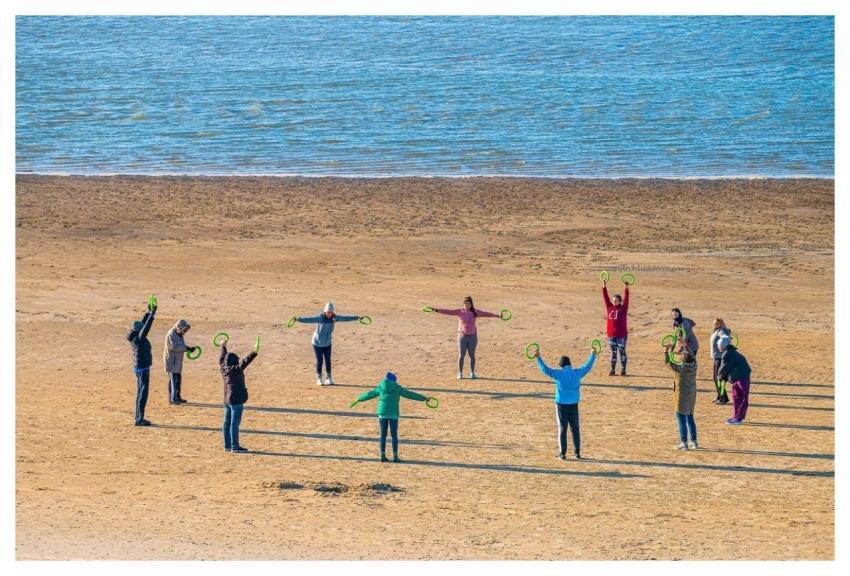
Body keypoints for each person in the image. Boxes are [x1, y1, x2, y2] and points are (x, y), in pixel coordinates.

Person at [350, 372, 432, 463]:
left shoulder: (380, 387)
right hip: (393, 413)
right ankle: (395, 456)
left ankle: (382, 455)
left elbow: (370, 394)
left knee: (383, 435)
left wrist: (359, 398)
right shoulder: (397, 387)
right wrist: (424, 398)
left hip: (382, 413)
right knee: (394, 435)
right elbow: (410, 394)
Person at [531, 347, 596, 460]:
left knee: (562, 429)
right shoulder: (577, 373)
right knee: (575, 428)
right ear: (570, 365)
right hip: (574, 405)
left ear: (561, 366)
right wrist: (593, 355)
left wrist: (538, 358)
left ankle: (562, 454)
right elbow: (587, 366)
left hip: (561, 405)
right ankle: (577, 453)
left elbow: (545, 369)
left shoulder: (559, 374)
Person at [432, 296, 501, 379]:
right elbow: (448, 311)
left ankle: (472, 372)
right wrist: (436, 310)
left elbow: (487, 314)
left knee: (472, 355)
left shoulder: (475, 312)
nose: (467, 305)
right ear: (464, 304)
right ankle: (460, 373)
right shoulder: (459, 311)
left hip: (473, 337)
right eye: (466, 303)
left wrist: (498, 316)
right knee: (461, 355)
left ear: (471, 304)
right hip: (462, 336)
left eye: (469, 303)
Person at [295, 302, 363, 386]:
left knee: (328, 360)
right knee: (320, 360)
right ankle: (319, 379)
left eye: (330, 312)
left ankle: (329, 378)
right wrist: (298, 319)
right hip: (317, 343)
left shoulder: (335, 318)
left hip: (327, 343)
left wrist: (357, 318)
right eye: (327, 312)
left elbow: (346, 318)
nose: (329, 314)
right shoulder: (320, 318)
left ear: (332, 312)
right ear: (325, 311)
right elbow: (309, 319)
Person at [220, 341, 258, 453]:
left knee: (227, 423)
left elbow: (222, 358)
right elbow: (245, 362)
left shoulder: (223, 368)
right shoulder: (236, 369)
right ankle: (235, 447)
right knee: (234, 425)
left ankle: (227, 445)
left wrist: (223, 346)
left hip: (227, 400)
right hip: (236, 401)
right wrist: (254, 352)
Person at [126, 299, 157, 426]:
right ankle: (139, 419)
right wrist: (152, 315)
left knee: (140, 392)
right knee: (143, 394)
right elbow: (146, 327)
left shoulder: (133, 334)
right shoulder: (139, 338)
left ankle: (138, 417)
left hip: (139, 368)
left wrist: (148, 312)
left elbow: (142, 324)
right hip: (143, 368)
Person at [664, 338, 698, 450]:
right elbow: (692, 354)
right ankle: (694, 442)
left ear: (683, 358)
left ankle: (684, 443)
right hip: (692, 395)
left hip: (681, 397)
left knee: (681, 419)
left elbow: (668, 363)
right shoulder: (694, 365)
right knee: (690, 417)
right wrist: (684, 344)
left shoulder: (681, 368)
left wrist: (666, 351)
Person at [717, 335, 752, 425]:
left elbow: (724, 368)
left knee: (742, 398)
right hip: (737, 378)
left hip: (742, 377)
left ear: (722, 346)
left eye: (718, 345)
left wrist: (719, 378)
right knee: (736, 397)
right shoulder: (730, 352)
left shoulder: (727, 353)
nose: (718, 347)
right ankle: (736, 416)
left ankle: (738, 418)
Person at [163, 319, 198, 404]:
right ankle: (173, 399)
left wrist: (188, 348)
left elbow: (180, 345)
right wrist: (186, 349)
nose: (185, 331)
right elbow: (173, 347)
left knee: (177, 380)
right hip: (172, 362)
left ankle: (177, 397)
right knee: (173, 380)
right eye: (184, 329)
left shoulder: (178, 334)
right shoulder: (171, 334)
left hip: (177, 362)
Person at [602, 277, 630, 376]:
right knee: (613, 352)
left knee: (622, 352)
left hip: (621, 335)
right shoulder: (609, 307)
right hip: (611, 335)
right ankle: (612, 370)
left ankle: (623, 370)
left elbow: (626, 299)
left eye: (616, 301)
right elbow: (605, 297)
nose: (614, 302)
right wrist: (604, 286)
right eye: (613, 300)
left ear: (620, 301)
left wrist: (626, 288)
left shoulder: (623, 308)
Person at [709, 318, 732, 404]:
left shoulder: (721, 331)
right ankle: (720, 396)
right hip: (716, 357)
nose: (715, 325)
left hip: (720, 358)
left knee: (718, 378)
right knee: (716, 378)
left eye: (717, 323)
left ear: (721, 324)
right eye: (714, 323)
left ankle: (723, 398)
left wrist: (726, 338)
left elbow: (724, 336)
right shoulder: (716, 331)